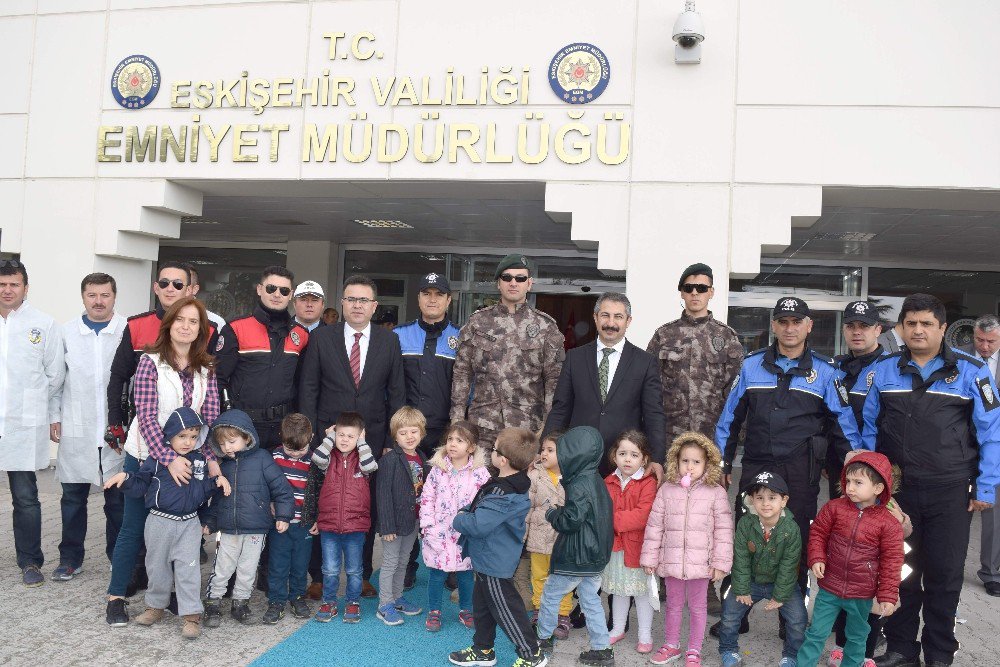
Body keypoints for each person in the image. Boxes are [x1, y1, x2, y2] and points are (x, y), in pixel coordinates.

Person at [863, 294, 1000, 667]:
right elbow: (866, 428)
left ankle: (940, 651)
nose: (918, 330)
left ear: (943, 329)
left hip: (950, 491)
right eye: (911, 324)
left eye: (926, 323)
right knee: (900, 570)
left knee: (944, 574)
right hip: (899, 494)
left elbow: (992, 431)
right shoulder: (884, 369)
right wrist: (868, 480)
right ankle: (901, 648)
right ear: (901, 328)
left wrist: (986, 486)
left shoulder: (972, 371)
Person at [715, 296, 862, 638]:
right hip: (756, 467)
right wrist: (722, 462)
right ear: (774, 326)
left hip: (801, 472)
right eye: (783, 321)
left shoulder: (826, 372)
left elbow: (845, 427)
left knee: (797, 542)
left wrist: (856, 470)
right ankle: (736, 615)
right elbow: (729, 420)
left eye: (797, 321)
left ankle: (790, 618)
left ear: (809, 326)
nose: (790, 327)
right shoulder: (751, 367)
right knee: (746, 539)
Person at [105, 296, 222, 626]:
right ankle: (116, 597)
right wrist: (168, 458)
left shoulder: (206, 368)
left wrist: (210, 459)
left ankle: (168, 596)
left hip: (189, 460)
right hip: (146, 456)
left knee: (181, 528)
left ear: (202, 329)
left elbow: (209, 418)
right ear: (169, 325)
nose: (186, 326)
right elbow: (145, 417)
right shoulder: (150, 362)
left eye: (194, 321)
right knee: (133, 528)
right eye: (180, 320)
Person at [299, 274, 406, 597]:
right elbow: (309, 387)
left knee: (365, 506)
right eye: (351, 299)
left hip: (371, 440)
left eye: (364, 300)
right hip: (328, 439)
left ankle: (363, 575)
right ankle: (318, 575)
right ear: (342, 303)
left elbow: (396, 391)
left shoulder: (389, 341)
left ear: (374, 306)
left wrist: (390, 440)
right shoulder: (322, 338)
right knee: (325, 503)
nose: (357, 305)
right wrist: (312, 434)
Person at [646, 262, 743, 614]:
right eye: (689, 287)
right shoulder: (663, 336)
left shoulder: (727, 338)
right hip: (672, 444)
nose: (695, 294)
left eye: (702, 288)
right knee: (669, 514)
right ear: (681, 292)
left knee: (710, 519)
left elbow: (737, 399)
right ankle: (666, 580)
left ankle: (710, 585)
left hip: (710, 445)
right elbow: (649, 391)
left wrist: (728, 454)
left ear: (712, 292)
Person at [104, 407, 225, 640]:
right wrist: (125, 478)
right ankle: (155, 606)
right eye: (182, 436)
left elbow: (201, 490)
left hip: (189, 524)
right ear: (169, 435)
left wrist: (216, 482)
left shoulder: (199, 460)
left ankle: (191, 616)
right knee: (156, 566)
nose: (188, 442)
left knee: (188, 568)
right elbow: (141, 483)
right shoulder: (156, 459)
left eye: (193, 436)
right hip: (158, 522)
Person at [448, 428, 547, 667]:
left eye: (493, 449)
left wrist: (459, 517)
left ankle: (532, 654)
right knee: (482, 607)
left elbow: (479, 524)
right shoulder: (508, 484)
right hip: (487, 559)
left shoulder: (504, 493)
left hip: (494, 562)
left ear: (502, 459)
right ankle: (484, 649)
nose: (490, 452)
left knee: (506, 609)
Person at [544, 292, 667, 480]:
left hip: (624, 462)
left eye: (618, 317)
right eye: (605, 315)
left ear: (628, 321)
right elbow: (561, 409)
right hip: (578, 458)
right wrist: (544, 449)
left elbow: (654, 414)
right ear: (595, 318)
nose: (611, 323)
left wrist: (657, 457)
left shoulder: (645, 362)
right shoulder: (574, 358)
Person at [797, 452, 904, 667]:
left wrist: (888, 596)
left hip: (862, 593)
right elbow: (817, 533)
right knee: (816, 633)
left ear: (878, 488)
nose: (850, 487)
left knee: (857, 639)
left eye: (858, 482)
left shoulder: (889, 524)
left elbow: (892, 561)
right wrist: (817, 557)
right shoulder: (834, 508)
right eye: (847, 481)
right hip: (829, 588)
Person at [53, 273, 126, 582]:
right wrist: (53, 416)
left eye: (105, 295)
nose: (98, 301)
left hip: (116, 428)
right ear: (83, 297)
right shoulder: (66, 333)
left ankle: (118, 557)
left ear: (114, 297)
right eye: (92, 295)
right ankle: (70, 559)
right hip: (77, 427)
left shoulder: (126, 330)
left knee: (118, 501)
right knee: (72, 499)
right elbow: (55, 380)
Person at [451, 254, 565, 450]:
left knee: (522, 481)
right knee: (481, 480)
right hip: (481, 427)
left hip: (527, 430)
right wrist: (457, 421)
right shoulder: (477, 323)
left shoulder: (545, 327)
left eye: (520, 278)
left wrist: (547, 429)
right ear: (498, 283)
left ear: (529, 284)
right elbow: (462, 374)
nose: (513, 283)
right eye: (507, 278)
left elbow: (553, 382)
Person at [640, 432, 733, 666]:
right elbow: (654, 526)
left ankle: (694, 649)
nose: (689, 466)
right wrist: (650, 558)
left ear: (707, 464)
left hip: (701, 565)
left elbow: (723, 531)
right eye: (685, 461)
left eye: (696, 461)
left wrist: (720, 563)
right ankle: (672, 645)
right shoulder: (666, 490)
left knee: (698, 608)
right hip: (672, 562)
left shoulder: (716, 493)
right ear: (676, 461)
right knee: (672, 606)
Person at [0, 259, 65, 587]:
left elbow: (55, 376)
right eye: (2, 283)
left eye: (13, 284)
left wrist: (51, 414)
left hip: (22, 425)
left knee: (24, 495)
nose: (7, 290)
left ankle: (30, 560)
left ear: (25, 288)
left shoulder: (43, 324)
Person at [106, 261, 217, 451]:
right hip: (146, 433)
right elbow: (119, 376)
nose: (170, 289)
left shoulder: (209, 330)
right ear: (156, 287)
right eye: (164, 283)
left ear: (189, 289)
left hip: (191, 439)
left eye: (178, 284)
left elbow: (211, 392)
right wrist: (115, 422)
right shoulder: (136, 325)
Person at [395, 272, 461, 590]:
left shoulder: (462, 340)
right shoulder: (398, 336)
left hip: (444, 436)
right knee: (408, 499)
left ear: (449, 300)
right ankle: (408, 564)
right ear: (418, 298)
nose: (432, 299)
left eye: (439, 294)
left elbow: (468, 391)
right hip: (408, 437)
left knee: (448, 501)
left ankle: (450, 564)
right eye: (426, 293)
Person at [202, 410, 295, 627]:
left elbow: (282, 490)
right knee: (222, 567)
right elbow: (216, 501)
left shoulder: (263, 458)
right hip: (228, 530)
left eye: (232, 442)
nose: (227, 448)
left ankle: (240, 604)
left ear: (247, 437)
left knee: (247, 568)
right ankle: (213, 603)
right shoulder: (222, 466)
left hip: (256, 529)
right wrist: (209, 521)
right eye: (222, 444)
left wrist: (283, 515)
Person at [535, 426, 615, 667]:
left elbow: (571, 520)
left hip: (575, 556)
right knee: (591, 601)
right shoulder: (596, 480)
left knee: (550, 595)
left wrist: (552, 513)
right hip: (596, 556)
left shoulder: (579, 483)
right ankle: (602, 649)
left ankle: (543, 638)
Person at [216, 266, 308, 452]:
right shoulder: (235, 328)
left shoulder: (301, 335)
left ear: (290, 295)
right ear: (259, 289)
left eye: (283, 291)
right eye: (270, 288)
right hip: (244, 426)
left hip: (285, 429)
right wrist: (226, 420)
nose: (277, 294)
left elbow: (304, 385)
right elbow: (218, 379)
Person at [718, 472, 805, 667]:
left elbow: (789, 565)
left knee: (798, 620)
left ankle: (791, 656)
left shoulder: (791, 529)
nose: (766, 504)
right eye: (760, 498)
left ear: (784, 501)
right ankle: (728, 650)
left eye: (772, 498)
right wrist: (741, 588)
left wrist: (780, 595)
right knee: (730, 615)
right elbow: (740, 558)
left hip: (782, 583)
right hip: (750, 580)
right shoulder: (745, 524)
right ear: (752, 500)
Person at [302, 411, 377, 624]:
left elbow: (371, 466)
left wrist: (362, 442)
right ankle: (330, 602)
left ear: (360, 437)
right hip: (329, 526)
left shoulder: (362, 460)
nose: (344, 440)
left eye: (350, 436)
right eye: (340, 435)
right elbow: (317, 458)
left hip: (356, 526)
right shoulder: (329, 459)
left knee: (354, 569)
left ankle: (353, 602)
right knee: (330, 569)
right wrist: (328, 438)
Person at [420, 420, 491, 631]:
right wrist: (427, 527)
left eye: (459, 440)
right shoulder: (437, 470)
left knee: (466, 574)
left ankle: (466, 610)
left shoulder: (480, 473)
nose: (452, 444)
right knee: (437, 574)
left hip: (466, 534)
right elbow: (427, 498)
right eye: (450, 439)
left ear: (471, 448)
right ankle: (434, 611)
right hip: (439, 533)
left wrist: (478, 527)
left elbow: (485, 501)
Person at [603, 430, 658, 654]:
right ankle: (617, 628)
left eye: (634, 455)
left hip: (639, 548)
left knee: (642, 593)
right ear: (614, 456)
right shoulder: (608, 482)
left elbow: (643, 514)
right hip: (616, 548)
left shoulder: (648, 483)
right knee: (619, 591)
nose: (628, 459)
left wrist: (613, 520)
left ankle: (645, 633)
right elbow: (603, 509)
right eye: (623, 453)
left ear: (644, 459)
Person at [374, 406, 428, 625]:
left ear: (422, 433)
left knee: (404, 561)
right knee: (390, 563)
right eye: (403, 432)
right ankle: (384, 604)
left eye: (414, 431)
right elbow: (383, 495)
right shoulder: (389, 461)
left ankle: (397, 598)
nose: (409, 437)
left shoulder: (422, 457)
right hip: (393, 524)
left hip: (413, 520)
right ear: (395, 435)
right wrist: (386, 527)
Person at [262, 413, 315, 624]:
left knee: (301, 564)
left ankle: (298, 597)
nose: (294, 455)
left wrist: (317, 518)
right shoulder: (273, 457)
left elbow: (321, 491)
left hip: (304, 524)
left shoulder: (315, 460)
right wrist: (269, 504)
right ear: (281, 438)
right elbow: (264, 486)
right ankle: (276, 600)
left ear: (310, 439)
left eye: (300, 450)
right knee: (277, 564)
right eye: (289, 449)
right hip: (279, 524)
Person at [961, 314, 1000, 596]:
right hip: (966, 445)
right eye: (980, 340)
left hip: (996, 445)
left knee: (994, 512)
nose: (984, 347)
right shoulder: (962, 361)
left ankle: (991, 572)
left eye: (991, 341)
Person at [526, 431, 574, 639]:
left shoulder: (573, 477)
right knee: (538, 575)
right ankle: (539, 610)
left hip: (563, 539)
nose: (544, 454)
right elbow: (526, 507)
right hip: (538, 535)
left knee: (563, 577)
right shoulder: (534, 476)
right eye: (543, 449)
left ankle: (563, 614)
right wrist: (523, 535)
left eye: (550, 450)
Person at [182, 263, 226, 331]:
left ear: (195, 289)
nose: (171, 289)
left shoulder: (216, 323)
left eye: (179, 285)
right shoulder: (162, 317)